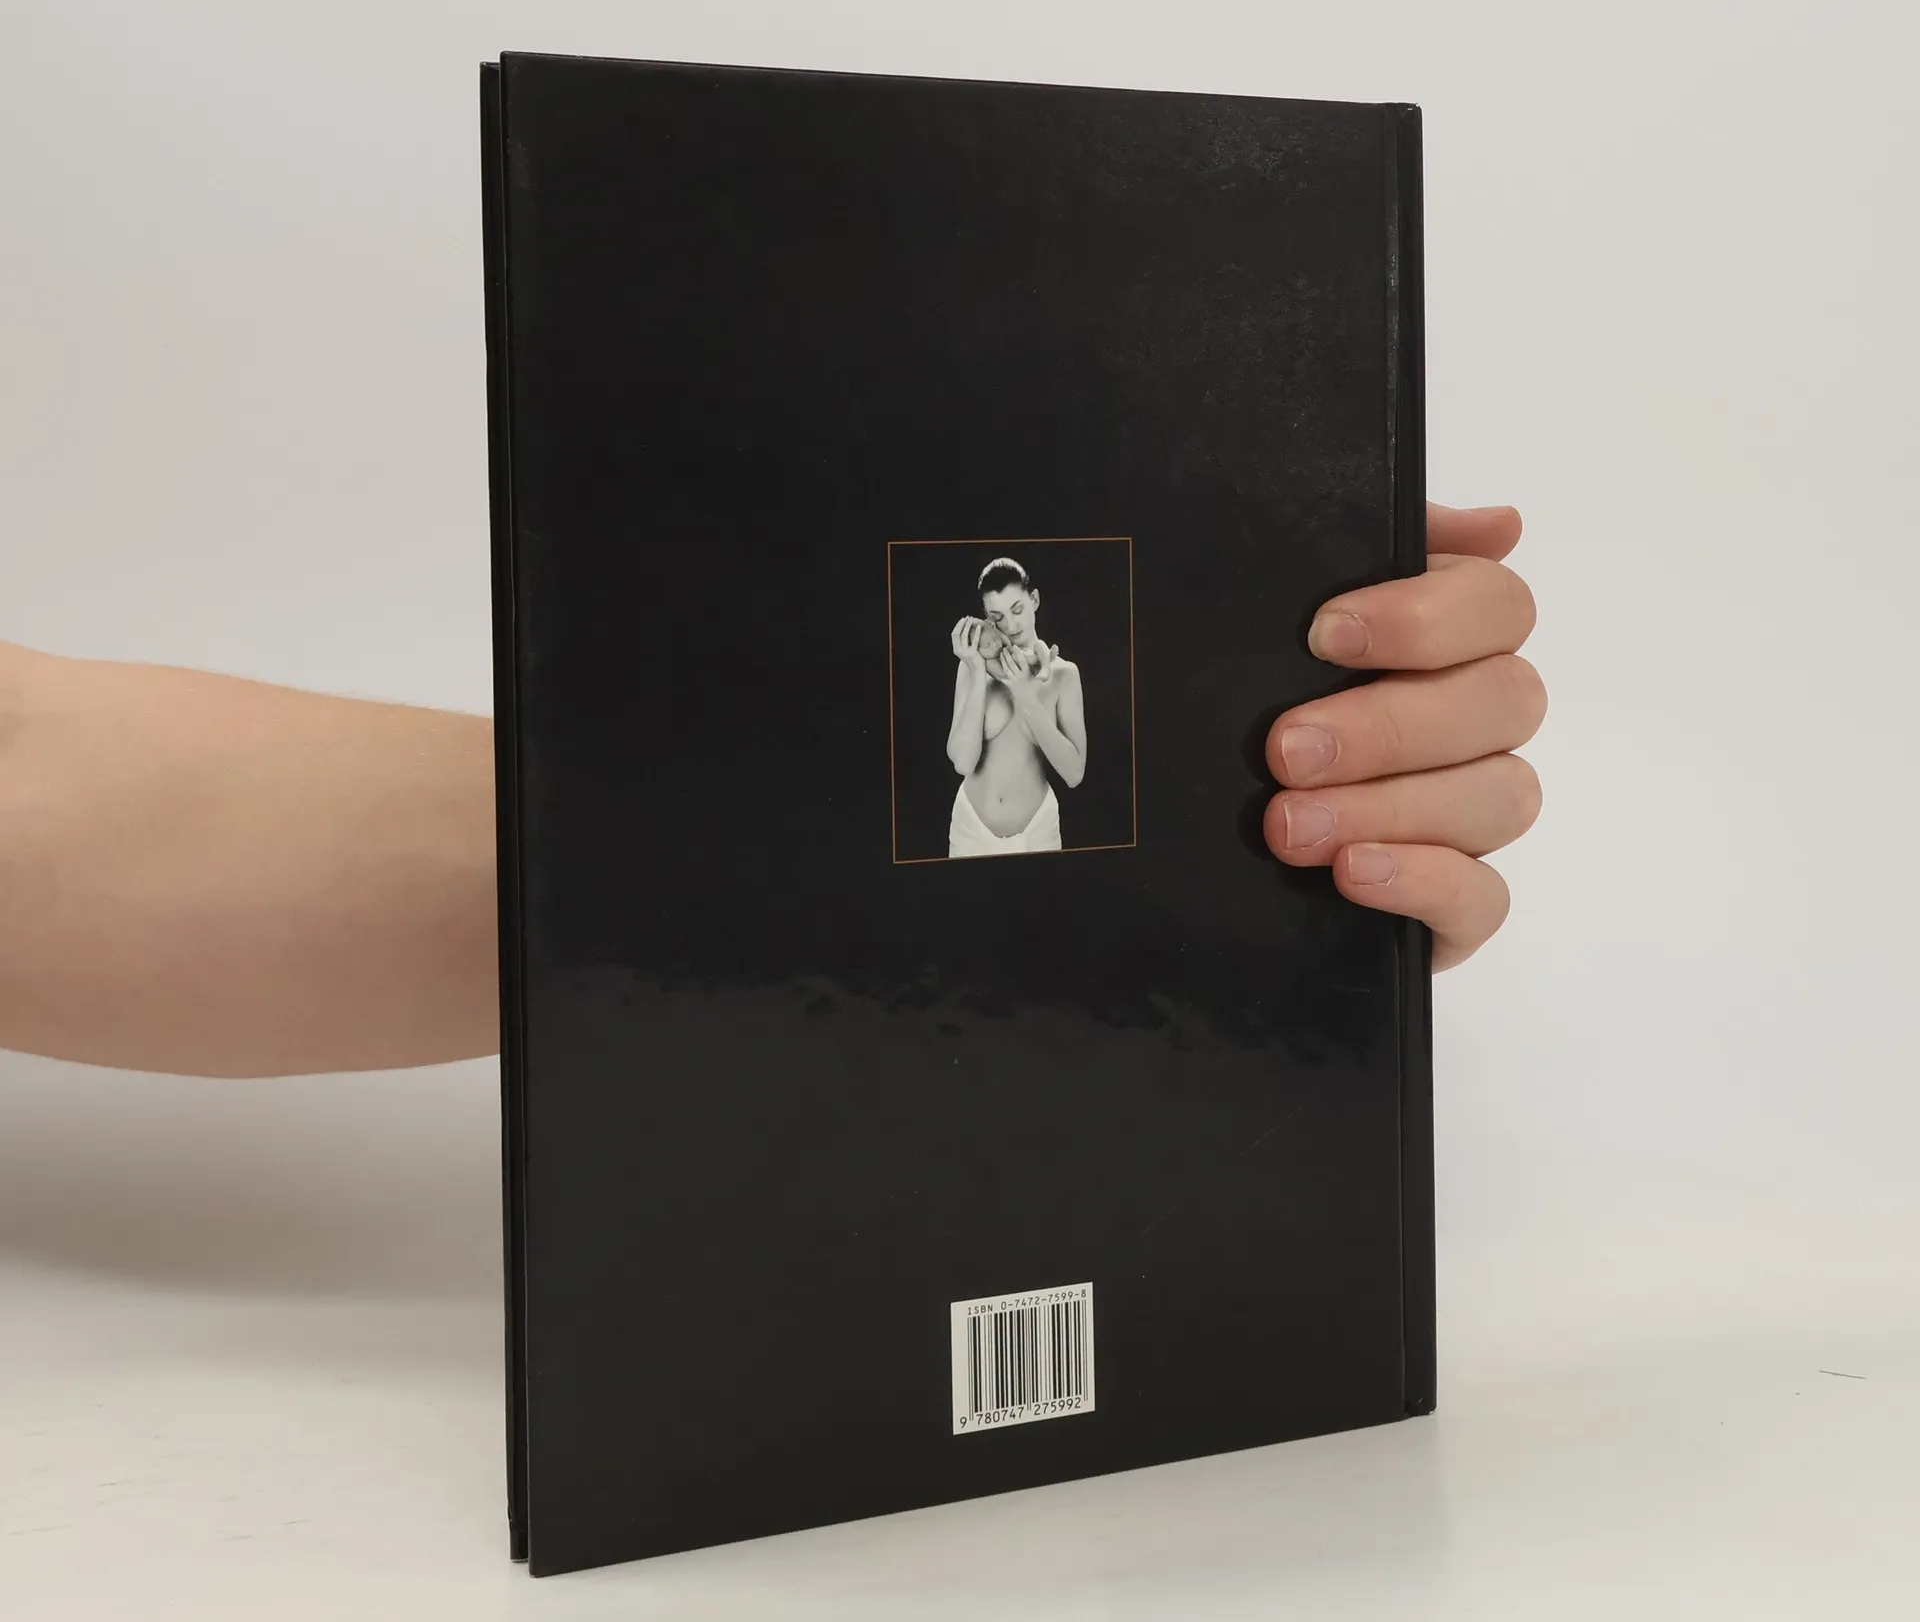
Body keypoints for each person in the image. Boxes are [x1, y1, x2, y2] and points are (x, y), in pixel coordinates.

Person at [0, 502, 1542, 1078]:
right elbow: (950, 774)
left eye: (1023, 604)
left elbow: (1075, 773)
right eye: (1002, 606)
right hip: (967, 825)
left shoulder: (1060, 672)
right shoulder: (985, 671)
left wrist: (1200, 785)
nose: (1013, 619)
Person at [945, 556, 1086, 857]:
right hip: (971, 832)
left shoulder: (1064, 675)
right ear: (986, 617)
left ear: (1034, 600)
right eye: (997, 617)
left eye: (1017, 609)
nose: (1010, 625)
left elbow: (1074, 774)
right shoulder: (972, 666)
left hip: (1038, 835)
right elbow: (963, 763)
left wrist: (1025, 695)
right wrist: (976, 670)